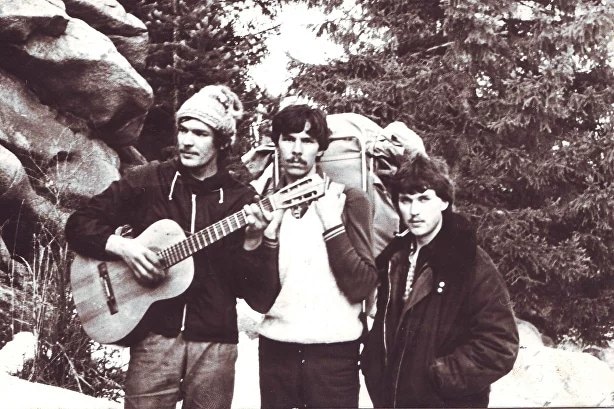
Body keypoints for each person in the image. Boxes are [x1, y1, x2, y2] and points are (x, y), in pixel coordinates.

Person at [65, 85, 280, 409]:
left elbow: (258, 296)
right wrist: (124, 248)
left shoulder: (242, 200)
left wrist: (253, 241)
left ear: (221, 141)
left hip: (214, 346)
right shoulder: (148, 180)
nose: (187, 141)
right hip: (154, 340)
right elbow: (79, 224)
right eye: (183, 129)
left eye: (200, 133)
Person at [361, 153, 519, 408]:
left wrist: (438, 377)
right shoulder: (394, 258)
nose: (414, 211)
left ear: (444, 201)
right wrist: (374, 365)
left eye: (424, 199)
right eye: (405, 200)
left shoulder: (469, 262)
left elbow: (500, 345)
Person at [247, 104, 378, 408]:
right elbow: (259, 301)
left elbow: (362, 285)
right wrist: (267, 239)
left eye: (307, 141)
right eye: (288, 139)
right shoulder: (265, 208)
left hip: (334, 356)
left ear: (321, 148)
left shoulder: (349, 200)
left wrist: (332, 225)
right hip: (276, 353)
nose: (296, 150)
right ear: (276, 144)